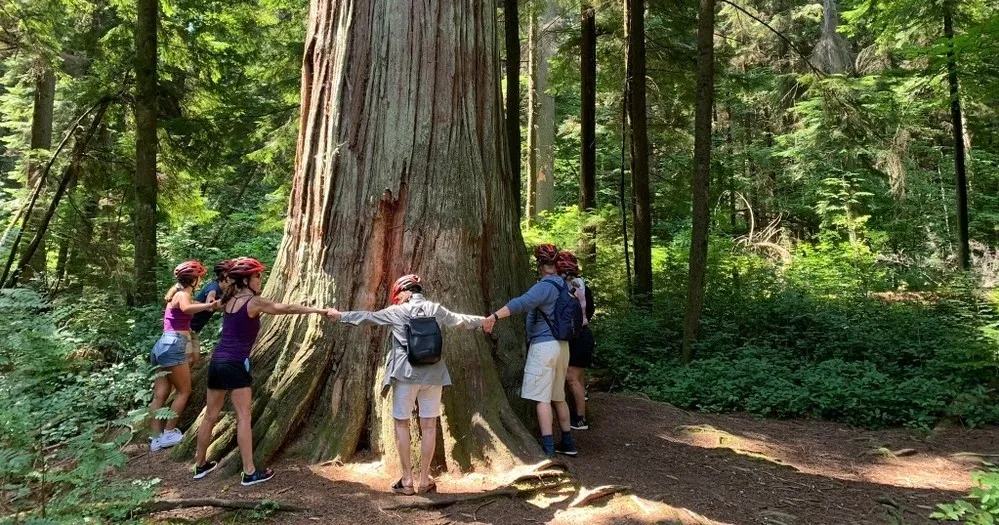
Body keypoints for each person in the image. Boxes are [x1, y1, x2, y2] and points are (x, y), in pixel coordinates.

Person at [329, 274, 486, 495]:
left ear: (405, 291)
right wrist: (484, 320)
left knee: (401, 424)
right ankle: (424, 480)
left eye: (399, 294)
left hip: (405, 374)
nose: (397, 298)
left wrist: (340, 315)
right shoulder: (435, 308)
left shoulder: (397, 311)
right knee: (429, 426)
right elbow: (459, 320)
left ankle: (407, 480)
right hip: (434, 374)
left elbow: (368, 317)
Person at [192, 257, 335, 486]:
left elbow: (213, 305)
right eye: (258, 275)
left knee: (210, 415)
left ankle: (200, 465)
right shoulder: (253, 302)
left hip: (217, 362)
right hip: (235, 363)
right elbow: (284, 308)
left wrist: (210, 300)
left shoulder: (228, 300)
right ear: (247, 280)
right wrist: (318, 309)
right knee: (243, 417)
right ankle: (249, 472)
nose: (261, 279)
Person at [481, 244, 577, 458]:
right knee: (558, 397)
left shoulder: (545, 286)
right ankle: (569, 442)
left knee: (542, 399)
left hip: (544, 347)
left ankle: (548, 448)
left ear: (541, 265)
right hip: (562, 347)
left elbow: (521, 303)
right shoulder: (564, 285)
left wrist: (494, 316)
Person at [149, 260, 220, 452]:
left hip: (162, 345)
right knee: (184, 391)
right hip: (174, 346)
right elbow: (189, 308)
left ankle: (155, 438)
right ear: (194, 280)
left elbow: (202, 305)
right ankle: (169, 433)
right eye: (199, 278)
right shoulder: (182, 295)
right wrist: (207, 306)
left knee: (160, 394)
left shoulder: (178, 295)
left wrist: (213, 304)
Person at [556, 250, 595, 430]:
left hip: (578, 337)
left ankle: (580, 418)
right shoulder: (583, 287)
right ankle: (580, 413)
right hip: (584, 334)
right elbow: (591, 310)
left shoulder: (567, 288)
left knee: (571, 378)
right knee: (577, 377)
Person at [188, 260, 233, 354]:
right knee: (188, 358)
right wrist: (211, 302)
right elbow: (211, 297)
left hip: (195, 329)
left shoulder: (225, 290)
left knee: (195, 358)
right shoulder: (214, 287)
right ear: (225, 274)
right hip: (187, 327)